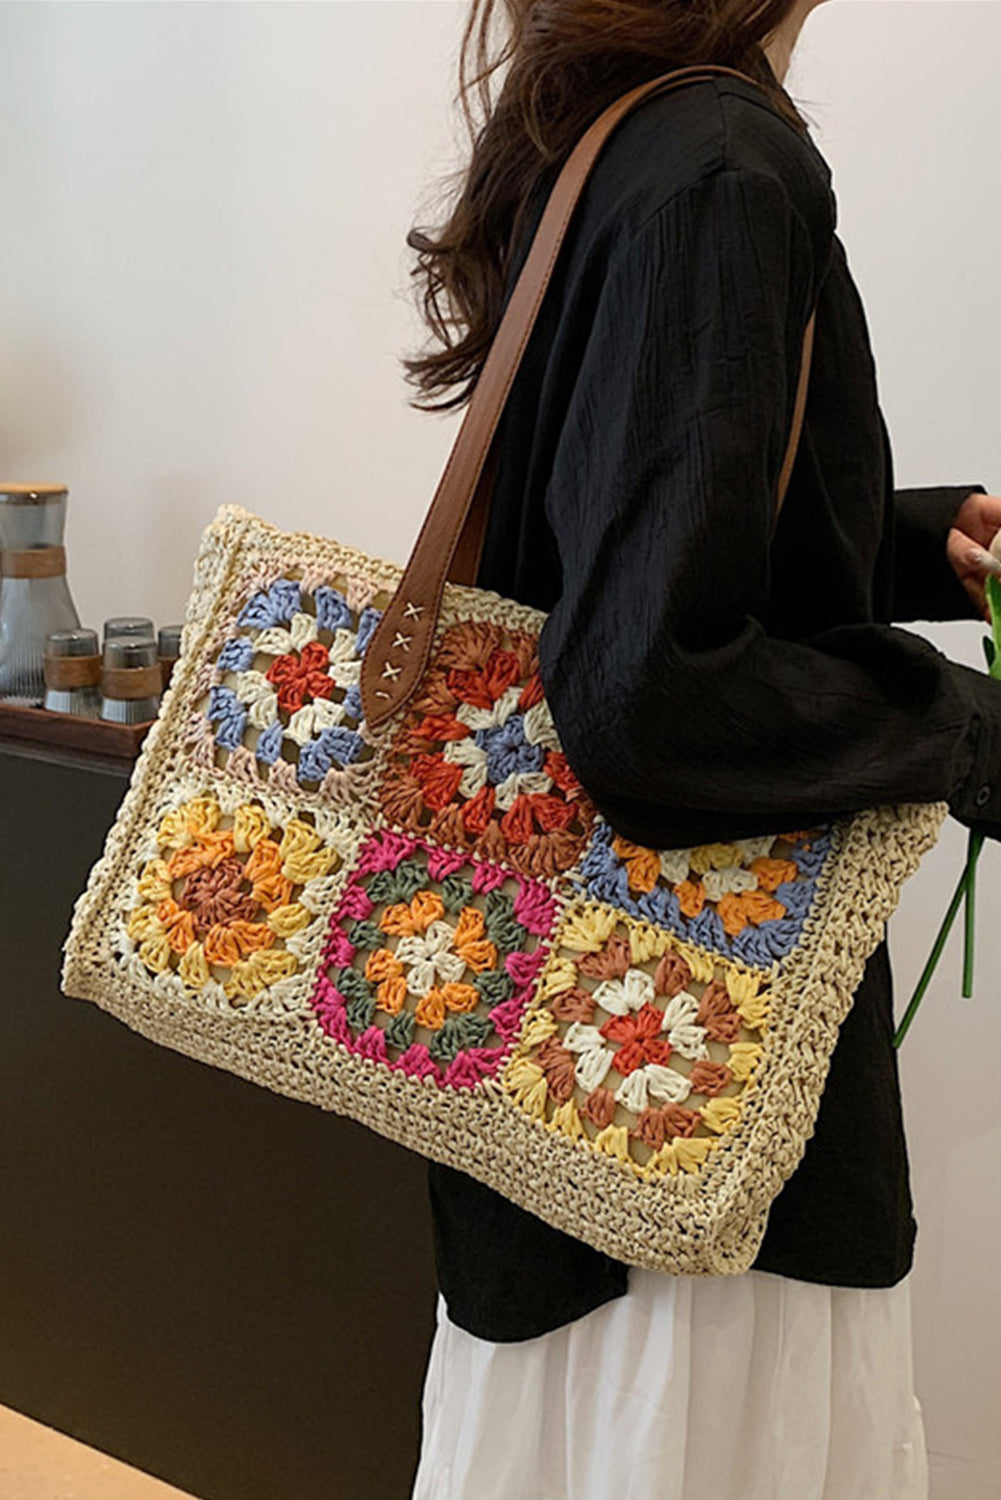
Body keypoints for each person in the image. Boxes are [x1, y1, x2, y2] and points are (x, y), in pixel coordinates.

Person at [400, 2, 1001, 1495]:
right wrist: (967, 733)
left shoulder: (620, 124)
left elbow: (613, 539)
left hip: (577, 1073)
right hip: (689, 1107)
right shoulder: (727, 158)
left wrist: (910, 544)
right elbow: (647, 691)